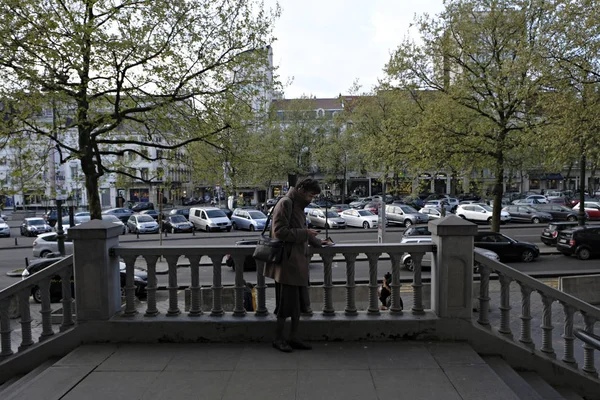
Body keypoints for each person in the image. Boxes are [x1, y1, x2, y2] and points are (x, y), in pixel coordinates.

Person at [264, 178, 331, 352]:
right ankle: (278, 339)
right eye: (310, 194)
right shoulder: (286, 203)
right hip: (287, 264)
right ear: (300, 189)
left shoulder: (298, 205)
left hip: (297, 263)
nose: (311, 199)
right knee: (284, 304)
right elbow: (279, 232)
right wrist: (306, 233)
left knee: (297, 305)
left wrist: (317, 242)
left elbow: (300, 231)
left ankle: (293, 337)